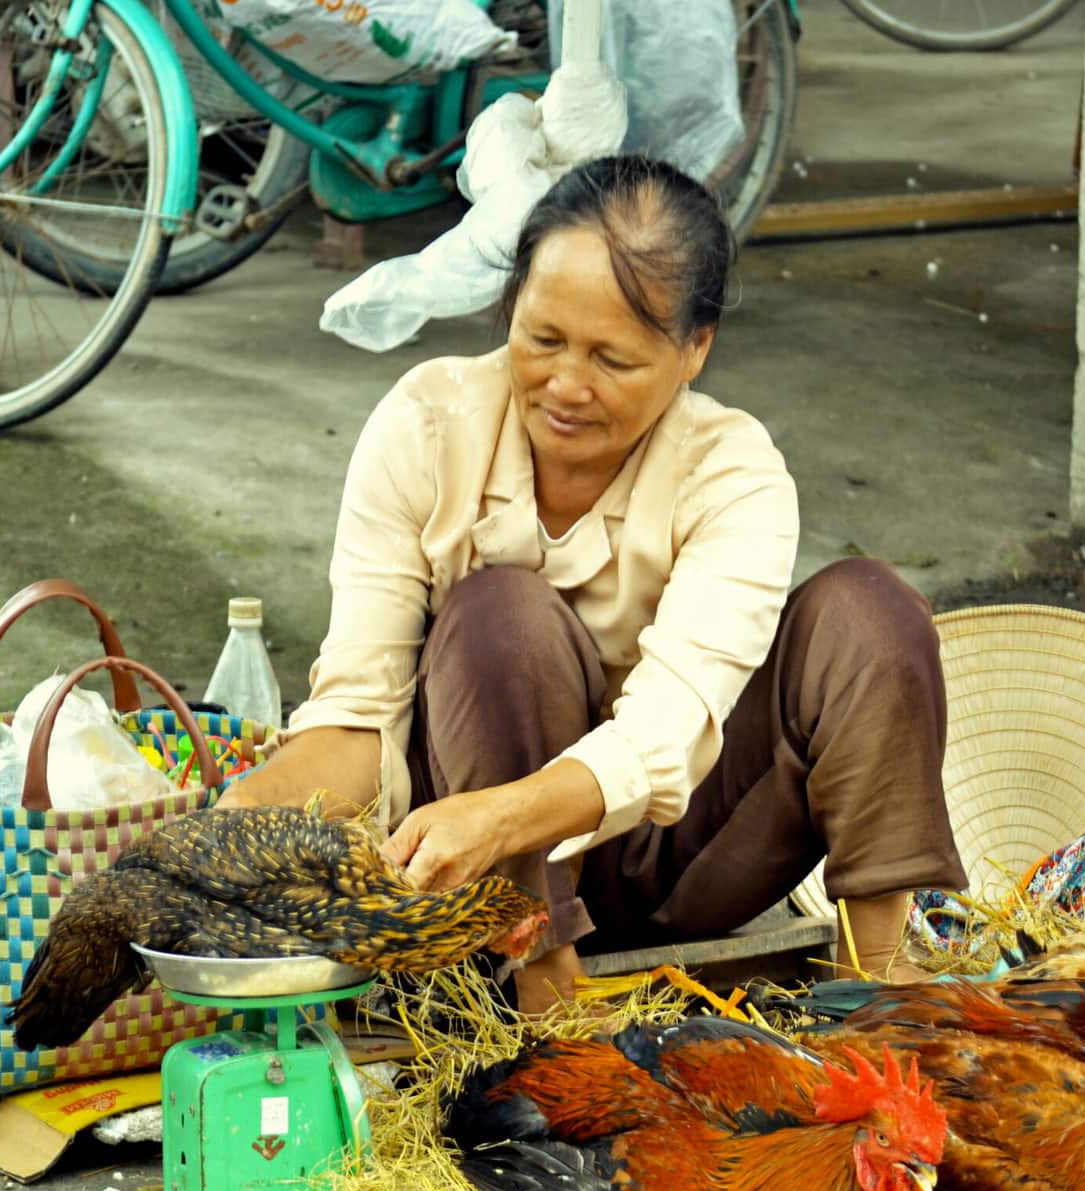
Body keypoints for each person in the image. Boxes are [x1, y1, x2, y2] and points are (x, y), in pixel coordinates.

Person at [220, 154, 967, 1012]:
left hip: (686, 859)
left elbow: (665, 734)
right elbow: (360, 714)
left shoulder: (733, 472)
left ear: (695, 350)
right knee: (498, 614)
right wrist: (244, 814)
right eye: (541, 340)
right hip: (478, 885)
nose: (566, 386)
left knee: (869, 614)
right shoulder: (429, 427)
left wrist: (502, 816)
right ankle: (541, 998)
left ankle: (881, 987)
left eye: (612, 359)